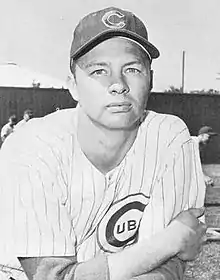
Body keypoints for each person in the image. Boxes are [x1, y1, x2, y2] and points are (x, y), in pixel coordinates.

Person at [0, 7, 207, 280]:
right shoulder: (31, 146)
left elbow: (167, 266)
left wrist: (167, 250)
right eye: (99, 71)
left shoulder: (170, 137)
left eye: (132, 69)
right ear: (73, 85)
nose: (118, 84)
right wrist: (167, 242)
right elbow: (53, 277)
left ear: (151, 80)